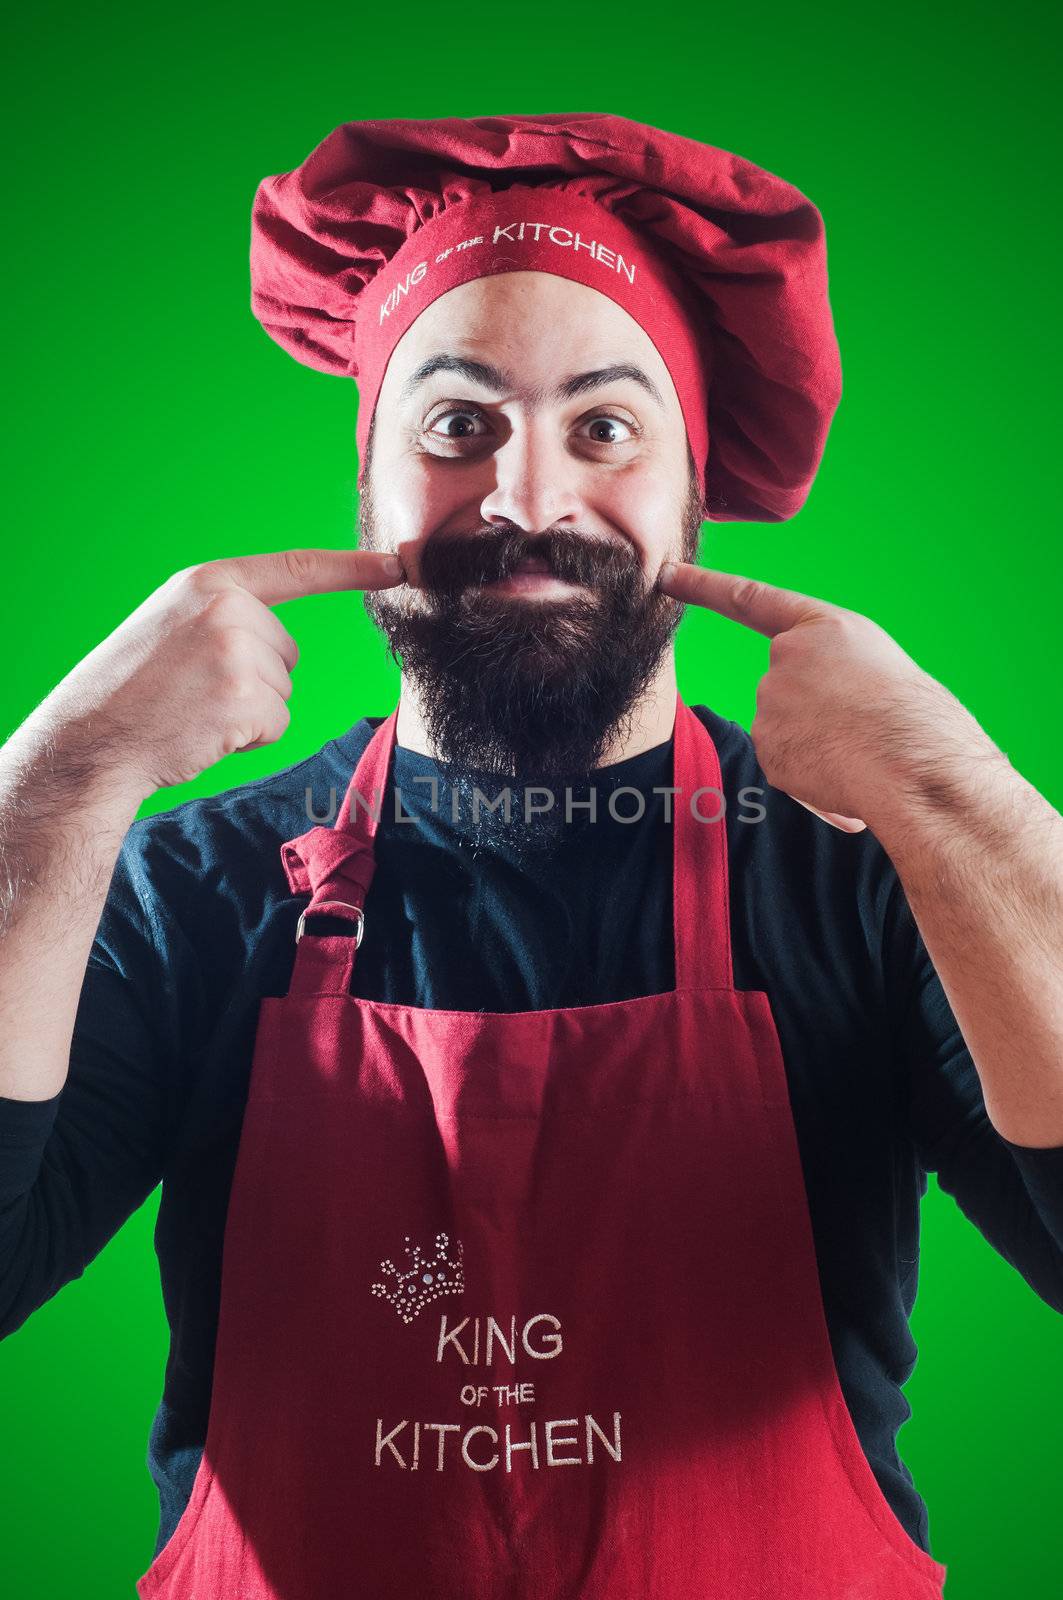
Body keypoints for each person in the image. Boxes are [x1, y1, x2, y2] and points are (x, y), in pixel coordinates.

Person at [1, 112, 1061, 1599]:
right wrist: (53, 788)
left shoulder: (867, 875)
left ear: (695, 489)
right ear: (366, 484)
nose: (527, 501)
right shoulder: (190, 889)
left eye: (607, 426)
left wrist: (958, 802)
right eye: (457, 425)